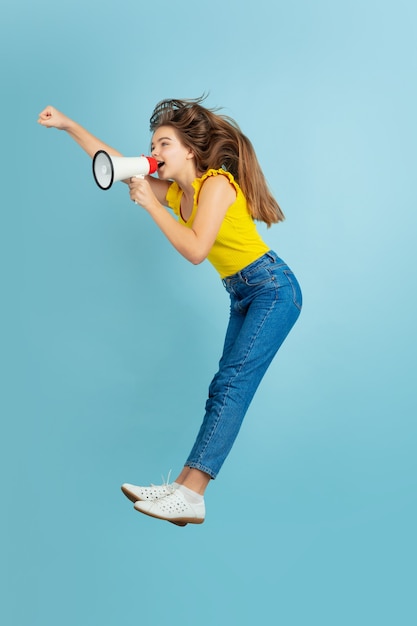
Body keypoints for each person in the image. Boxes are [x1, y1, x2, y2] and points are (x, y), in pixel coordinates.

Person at [38, 97, 302, 526]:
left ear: (189, 152)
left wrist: (151, 205)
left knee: (232, 384)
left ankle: (192, 495)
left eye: (163, 144)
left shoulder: (215, 184)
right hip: (244, 293)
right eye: (153, 146)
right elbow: (115, 163)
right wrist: (69, 126)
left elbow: (196, 250)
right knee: (223, 388)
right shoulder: (177, 192)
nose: (154, 153)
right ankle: (182, 488)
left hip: (272, 288)